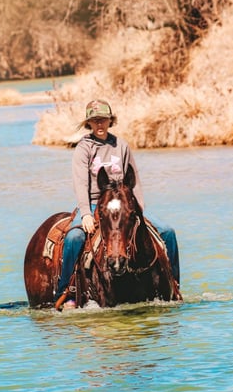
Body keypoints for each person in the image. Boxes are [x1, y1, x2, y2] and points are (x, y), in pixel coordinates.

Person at [55, 99, 180, 308]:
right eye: (95, 121)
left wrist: (138, 211)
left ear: (110, 120)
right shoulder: (84, 148)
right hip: (95, 204)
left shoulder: (120, 145)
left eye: (103, 119)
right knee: (74, 237)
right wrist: (85, 213)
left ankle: (174, 284)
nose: (99, 124)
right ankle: (67, 291)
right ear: (89, 124)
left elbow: (134, 181)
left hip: (124, 206)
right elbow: (80, 183)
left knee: (168, 231)